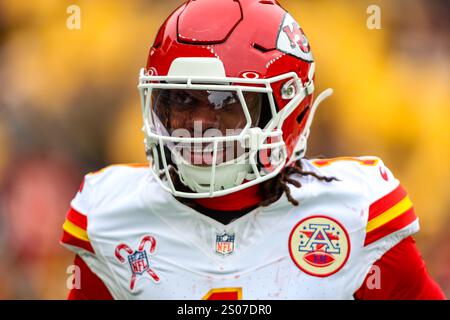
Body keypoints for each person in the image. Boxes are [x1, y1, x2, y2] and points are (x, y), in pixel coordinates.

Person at [61, 0, 445, 300]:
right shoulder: (113, 219)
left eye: (225, 104)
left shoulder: (355, 214)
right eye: (180, 99)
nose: (198, 125)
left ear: (287, 109)